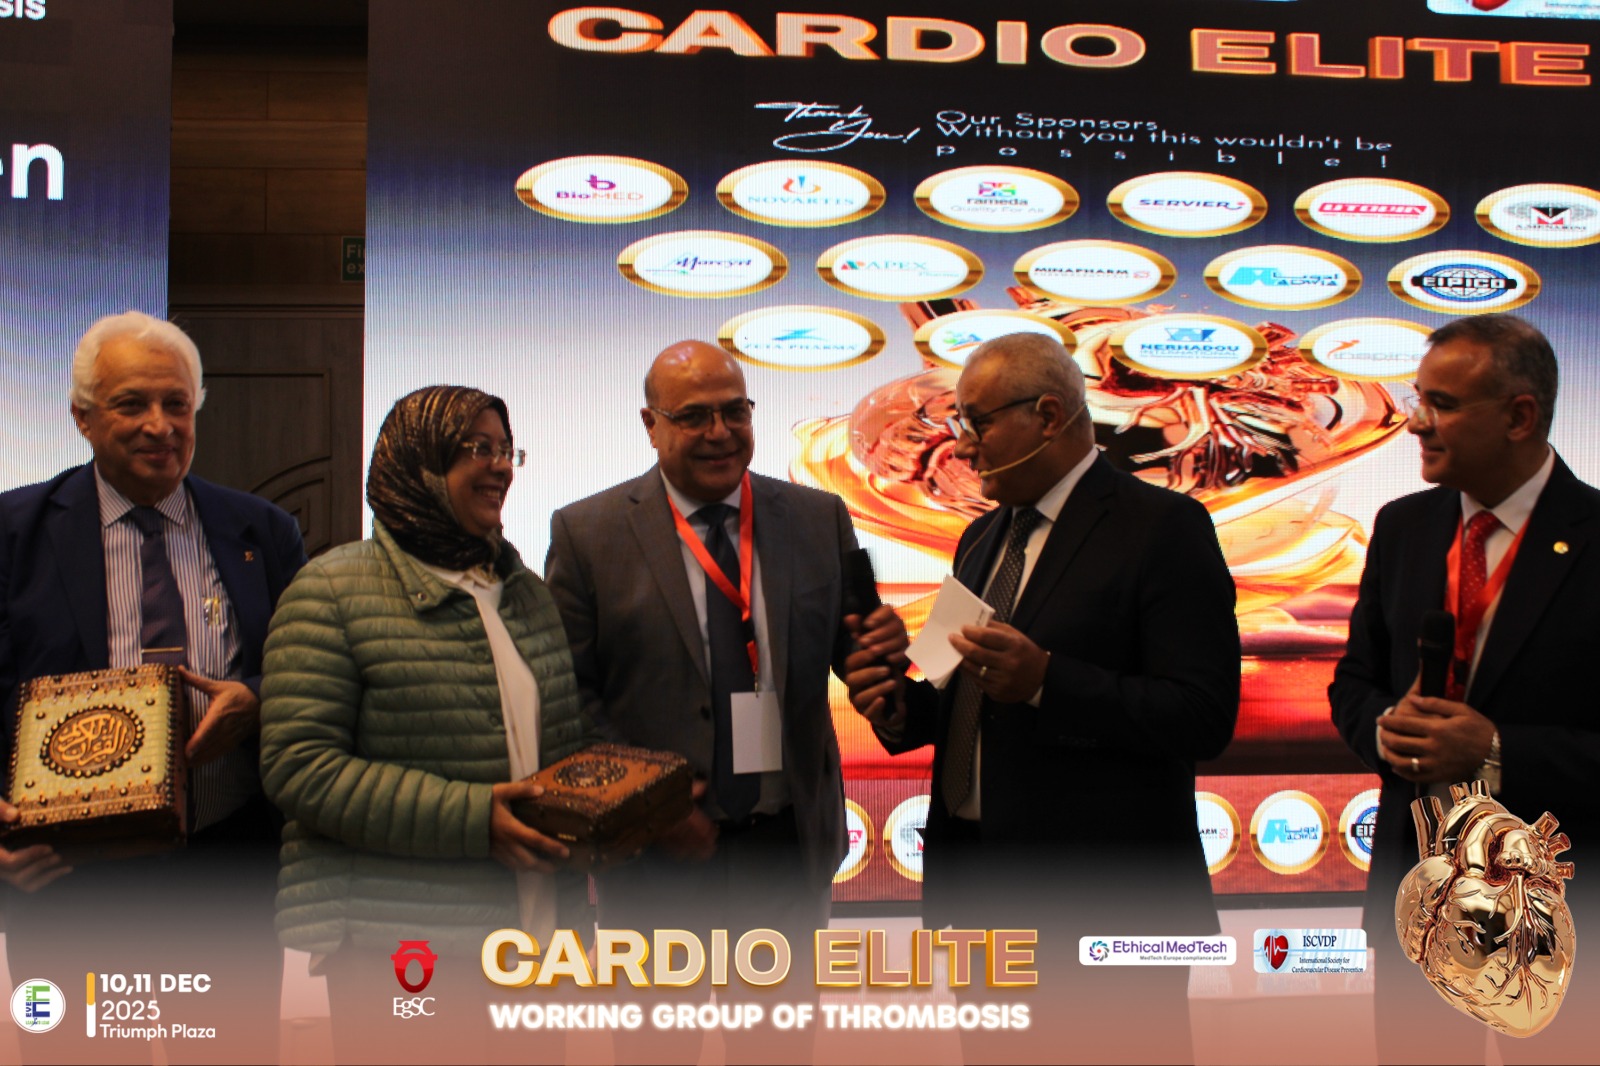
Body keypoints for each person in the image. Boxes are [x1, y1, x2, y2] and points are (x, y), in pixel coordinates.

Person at [843, 331, 1239, 1063]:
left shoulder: (1163, 528)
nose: (962, 445)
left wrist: (1048, 683)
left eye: (978, 422)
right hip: (977, 900)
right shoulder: (980, 538)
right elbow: (951, 692)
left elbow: (1203, 715)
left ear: (1049, 415)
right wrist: (892, 697)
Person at [544, 340, 894, 1064]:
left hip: (784, 850)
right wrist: (647, 803)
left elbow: (855, 647)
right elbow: (568, 696)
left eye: (736, 411)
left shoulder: (818, 517)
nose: (720, 432)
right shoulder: (587, 533)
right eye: (694, 416)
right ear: (651, 424)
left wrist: (880, 652)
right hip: (656, 857)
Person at [0, 310, 307, 1064]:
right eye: (131, 403)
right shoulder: (13, 533)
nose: (159, 425)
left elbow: (307, 670)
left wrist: (256, 697)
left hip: (225, 866)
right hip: (69, 878)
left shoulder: (263, 532)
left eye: (177, 403)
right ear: (82, 417)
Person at [259, 385, 587, 1064]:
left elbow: (554, 747)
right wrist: (473, 818)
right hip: (399, 943)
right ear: (418, 462)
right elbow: (299, 768)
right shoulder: (329, 590)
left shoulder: (525, 592)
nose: (501, 466)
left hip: (536, 934)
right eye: (477, 448)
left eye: (508, 449)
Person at [1330, 314, 1600, 1064]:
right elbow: (1353, 679)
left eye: (1442, 405)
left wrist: (1496, 751)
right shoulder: (1401, 527)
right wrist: (1384, 728)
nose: (1416, 422)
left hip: (1558, 916)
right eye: (1419, 399)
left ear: (1520, 416)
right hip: (1420, 908)